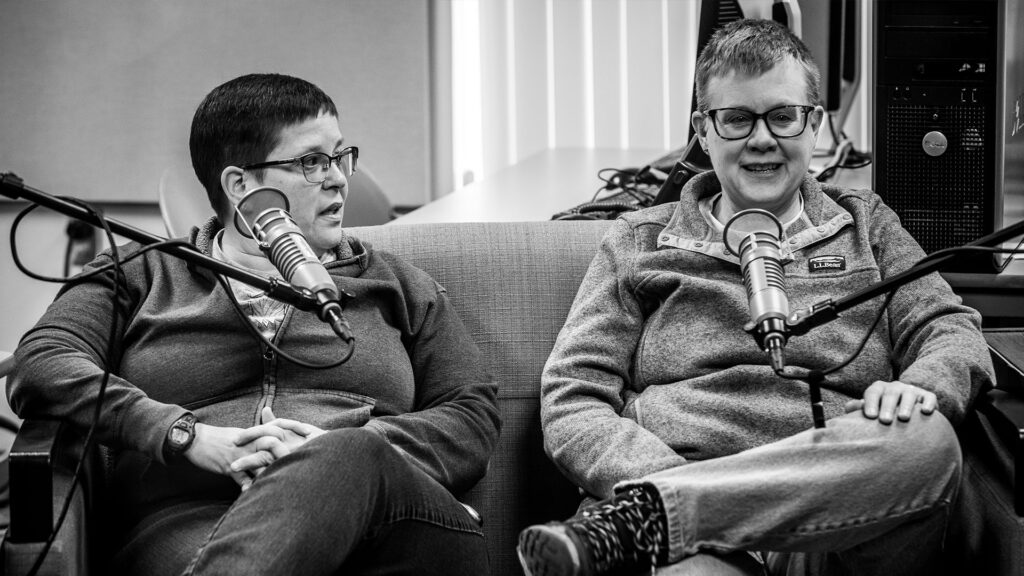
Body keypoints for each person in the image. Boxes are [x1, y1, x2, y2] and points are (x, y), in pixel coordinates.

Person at [517, 19, 993, 576]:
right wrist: (665, 478)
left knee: (927, 440)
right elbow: (572, 397)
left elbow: (954, 334)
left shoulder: (868, 226)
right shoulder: (639, 240)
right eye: (737, 118)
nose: (762, 138)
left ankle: (660, 517)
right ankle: (670, 514)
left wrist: (918, 390)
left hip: (839, 509)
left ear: (813, 124)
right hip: (686, 515)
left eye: (783, 116)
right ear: (703, 130)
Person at [8, 73, 501, 576]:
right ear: (240, 185)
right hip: (192, 526)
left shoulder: (397, 283)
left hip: (393, 521)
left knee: (351, 452)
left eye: (340, 156)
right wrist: (185, 435)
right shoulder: (142, 274)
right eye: (311, 162)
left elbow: (471, 413)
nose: (338, 178)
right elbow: (43, 363)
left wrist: (326, 455)